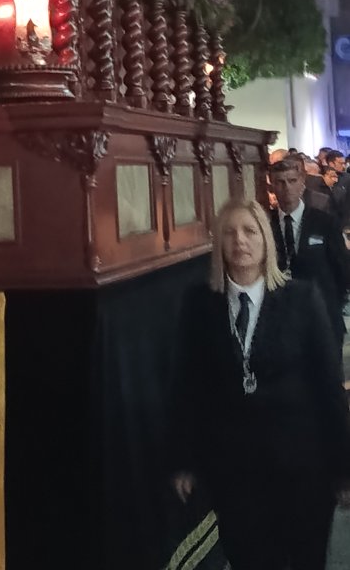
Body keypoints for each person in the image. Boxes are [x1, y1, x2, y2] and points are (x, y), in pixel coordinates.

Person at [170, 198, 350, 570]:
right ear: (218, 243)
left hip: (303, 466)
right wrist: (184, 459)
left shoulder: (301, 299)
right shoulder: (200, 304)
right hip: (236, 471)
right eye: (230, 233)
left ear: (266, 240)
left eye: (250, 231)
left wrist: (343, 468)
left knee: (305, 560)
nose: (240, 241)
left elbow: (328, 388)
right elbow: (189, 386)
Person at [268, 155, 350, 350]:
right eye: (280, 182)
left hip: (323, 314)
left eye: (292, 181)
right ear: (272, 186)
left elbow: (342, 267)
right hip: (283, 320)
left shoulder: (324, 222)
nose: (287, 187)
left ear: (302, 183)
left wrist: (332, 304)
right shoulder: (265, 225)